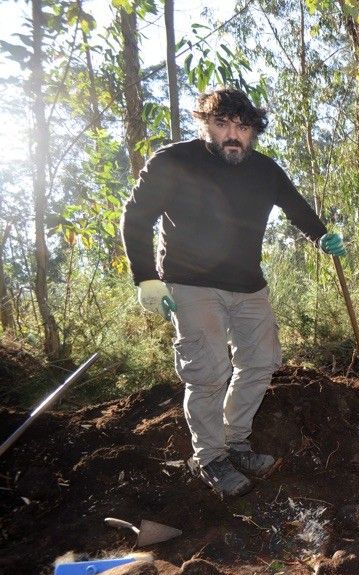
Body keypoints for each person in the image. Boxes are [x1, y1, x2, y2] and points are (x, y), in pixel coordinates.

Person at [120, 88, 346, 498]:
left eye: (242, 127)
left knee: (261, 361)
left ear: (253, 132)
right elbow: (136, 219)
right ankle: (209, 458)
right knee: (208, 372)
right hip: (191, 283)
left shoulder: (266, 171)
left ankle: (233, 440)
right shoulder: (173, 162)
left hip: (248, 285)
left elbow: (296, 208)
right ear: (205, 125)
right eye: (222, 124)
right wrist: (145, 277)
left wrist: (322, 236)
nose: (232, 135)